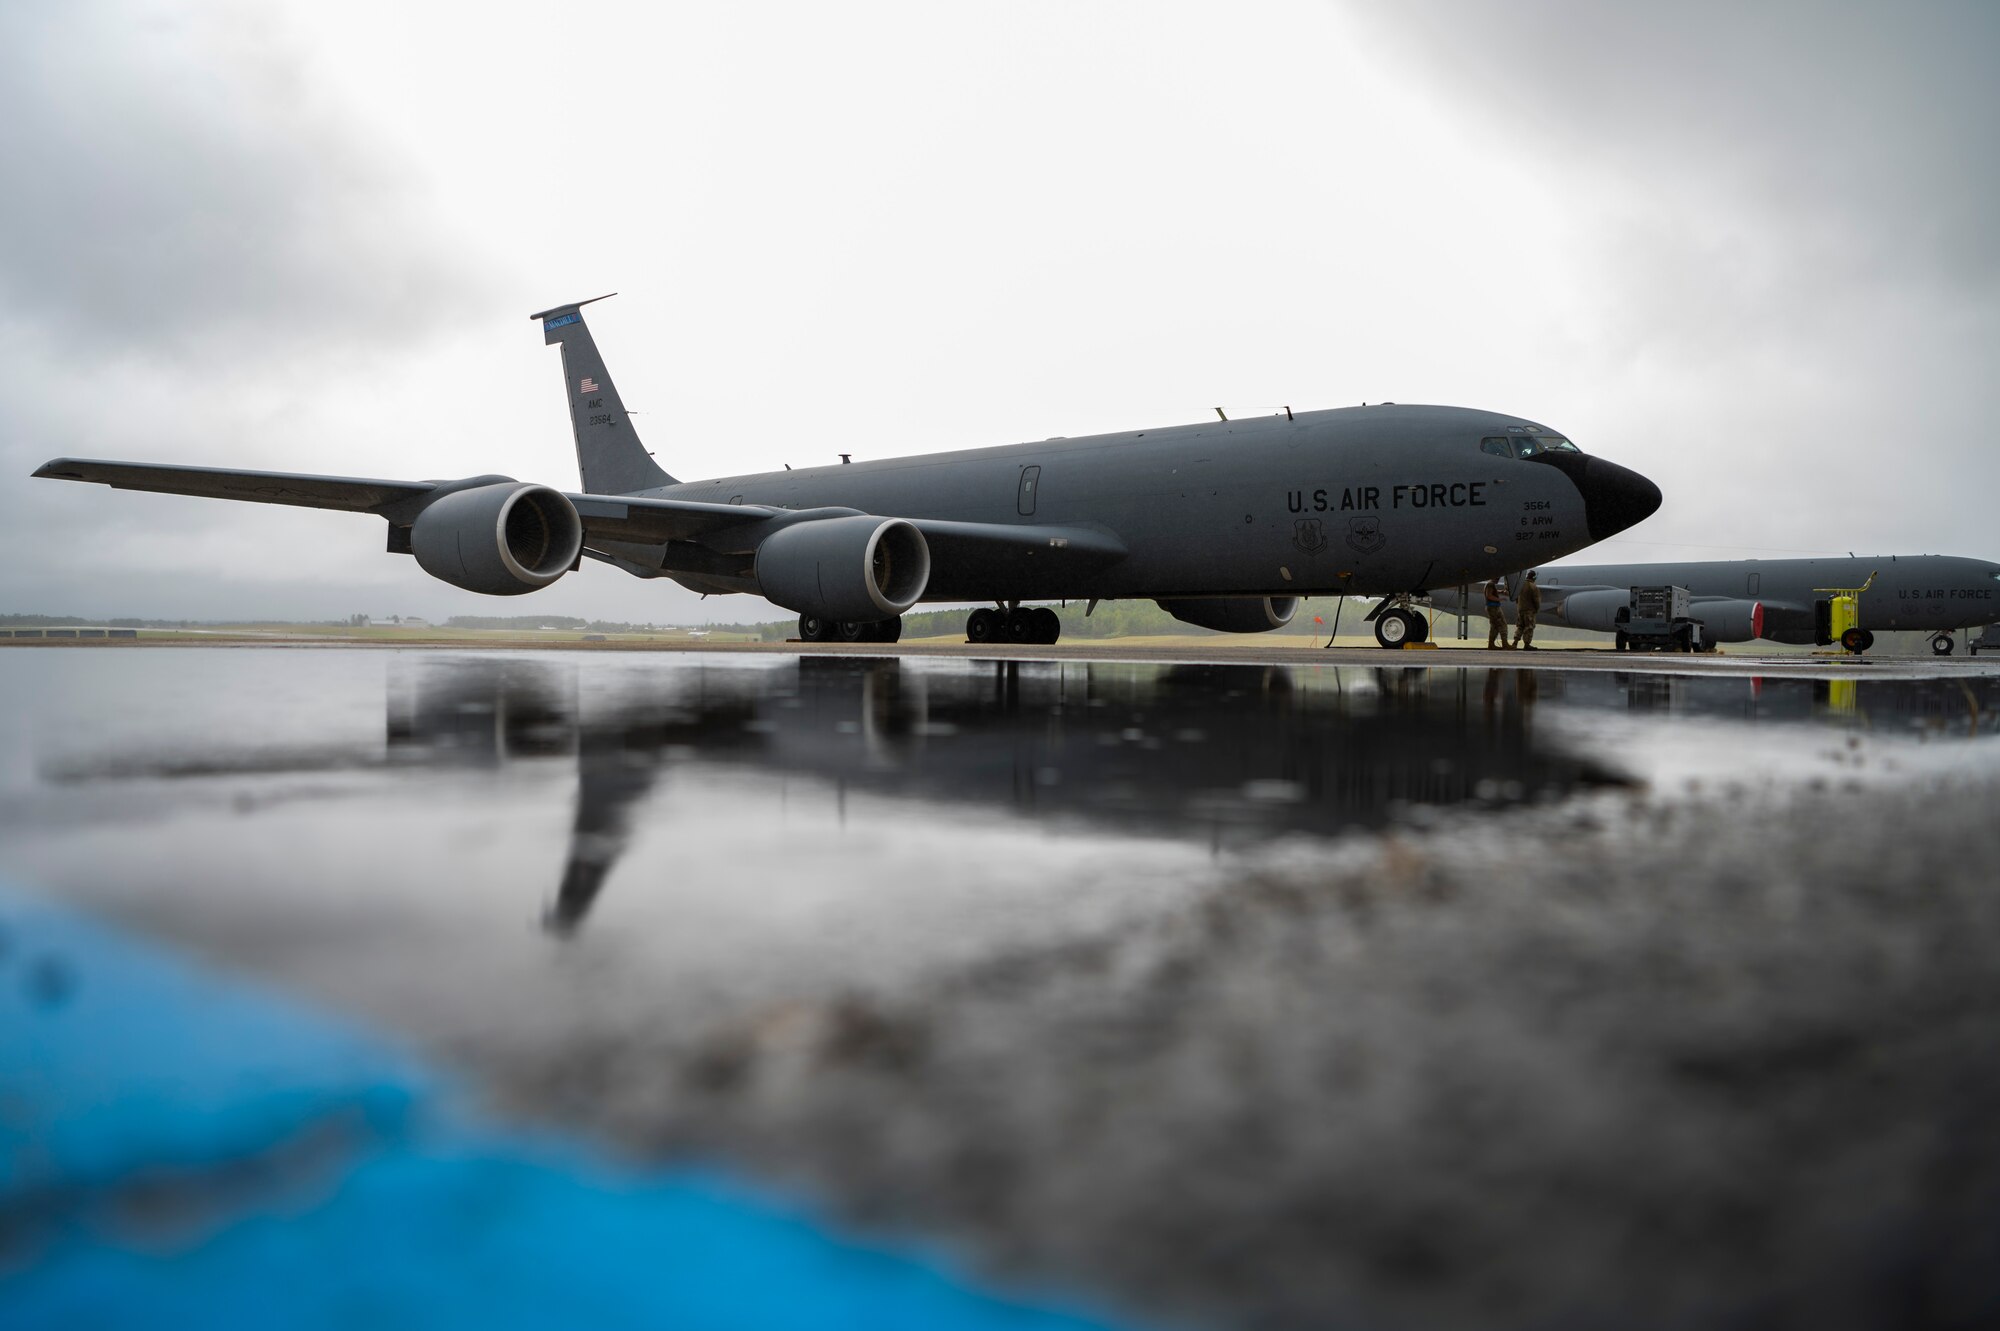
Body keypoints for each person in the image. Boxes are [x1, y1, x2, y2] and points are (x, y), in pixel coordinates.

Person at [1514, 570, 1542, 649]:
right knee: (1529, 627)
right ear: (1534, 577)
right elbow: (1536, 600)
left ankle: (1515, 643)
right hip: (1529, 610)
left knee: (1520, 626)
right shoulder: (1533, 586)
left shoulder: (1520, 585)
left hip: (1520, 609)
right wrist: (1537, 608)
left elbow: (1516, 597)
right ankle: (1526, 644)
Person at [1483, 575, 1511, 648]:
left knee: (1494, 626)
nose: (1498, 579)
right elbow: (1489, 595)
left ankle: (1491, 644)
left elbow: (1491, 593)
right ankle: (1505, 644)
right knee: (1503, 624)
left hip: (1492, 607)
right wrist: (1500, 599)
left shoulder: (1489, 584)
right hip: (1494, 608)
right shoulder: (1490, 584)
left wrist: (1500, 592)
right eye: (1497, 577)